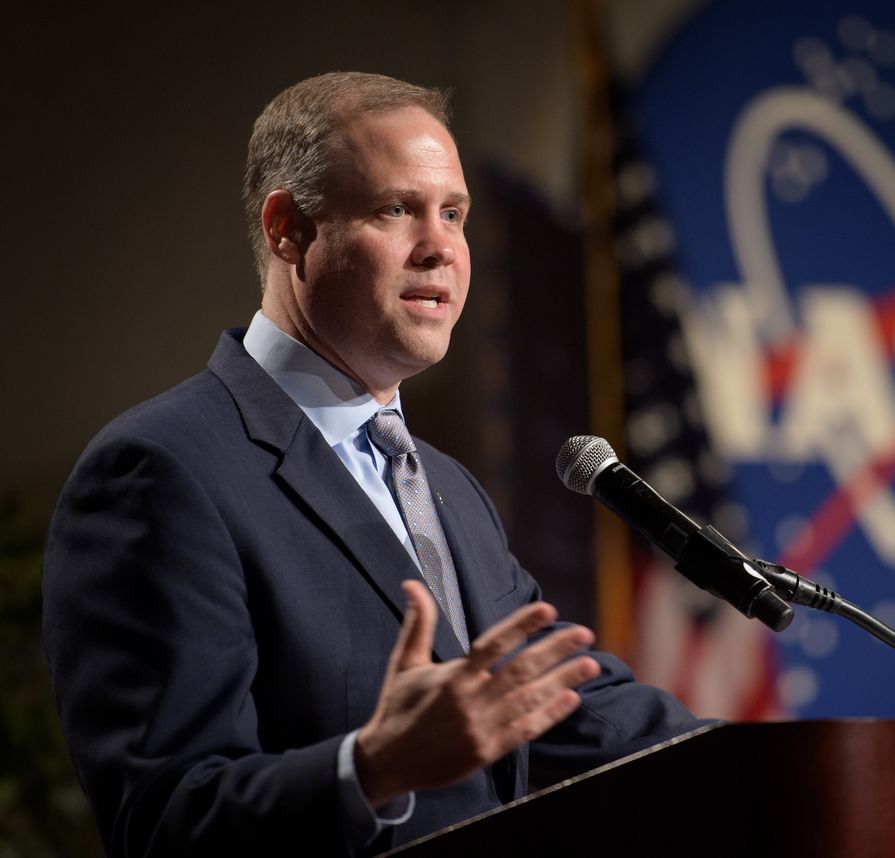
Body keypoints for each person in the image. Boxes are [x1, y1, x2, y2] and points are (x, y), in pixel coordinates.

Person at [42, 71, 702, 856]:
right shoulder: (161, 472)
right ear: (288, 229)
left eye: (453, 213)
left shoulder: (448, 486)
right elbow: (164, 822)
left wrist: (795, 763)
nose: (442, 248)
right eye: (397, 209)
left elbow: (566, 705)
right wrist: (371, 770)